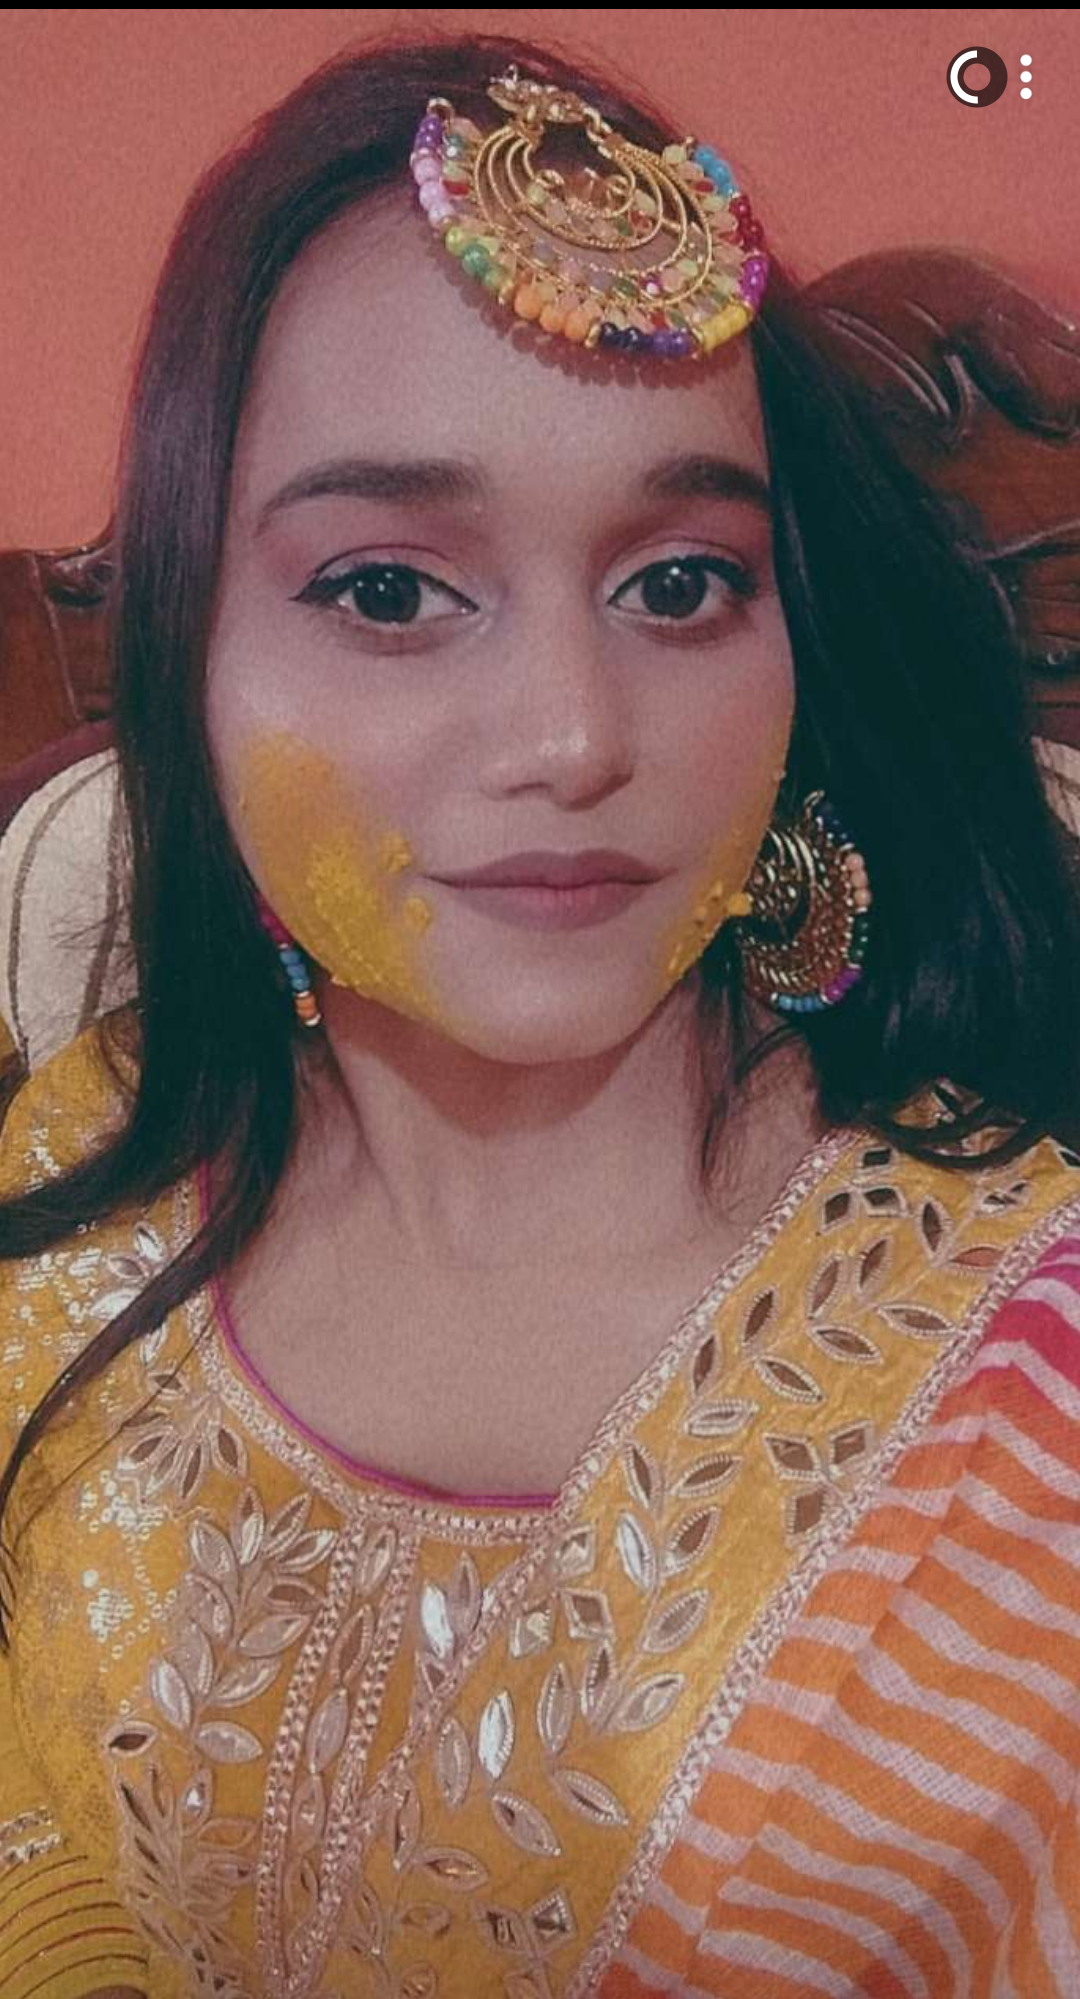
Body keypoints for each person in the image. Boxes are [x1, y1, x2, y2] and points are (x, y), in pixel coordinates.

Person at [3, 29, 1080, 1999]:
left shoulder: (1034, 1393)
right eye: (389, 593)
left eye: (680, 584)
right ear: (190, 651)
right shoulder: (71, 1183)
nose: (578, 737)